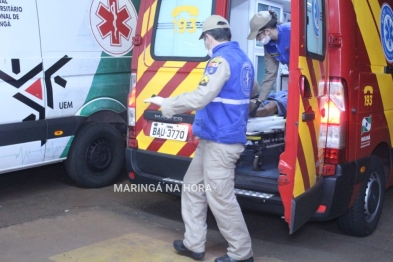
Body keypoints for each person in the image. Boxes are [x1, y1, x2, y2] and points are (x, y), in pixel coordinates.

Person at [144, 15, 254, 262]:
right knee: (192, 187)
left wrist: (167, 103)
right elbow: (251, 90)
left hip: (221, 141)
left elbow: (200, 98)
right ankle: (194, 244)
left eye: (205, 39)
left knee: (221, 198)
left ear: (208, 38)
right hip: (213, 139)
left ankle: (242, 253)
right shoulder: (244, 60)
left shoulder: (220, 60)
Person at [248, 10, 291, 117]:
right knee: (275, 97)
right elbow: (270, 74)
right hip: (293, 76)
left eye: (258, 36)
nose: (257, 39)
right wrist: (260, 100)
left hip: (309, 74)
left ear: (267, 31)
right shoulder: (268, 47)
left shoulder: (291, 31)